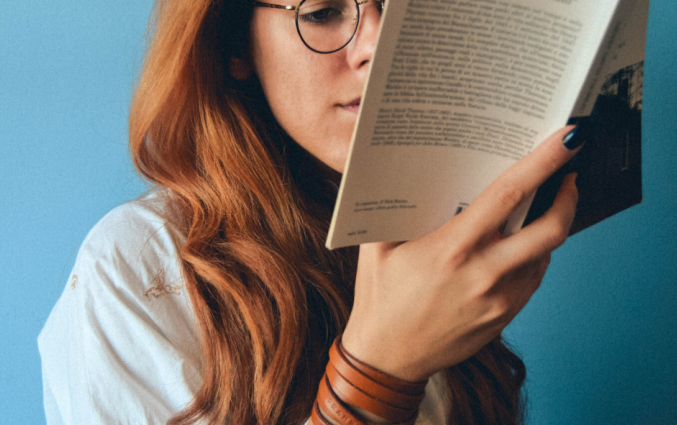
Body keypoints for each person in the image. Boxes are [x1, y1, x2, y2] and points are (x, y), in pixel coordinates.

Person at [38, 0, 583, 423]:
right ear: (234, 44)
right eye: (323, 12)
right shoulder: (140, 266)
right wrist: (378, 374)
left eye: (404, 9)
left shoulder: (434, 233)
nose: (379, 45)